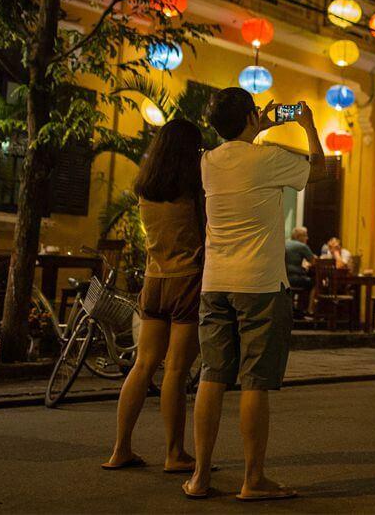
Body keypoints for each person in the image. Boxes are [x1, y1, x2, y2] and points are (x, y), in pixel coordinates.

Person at [184, 90, 326, 501]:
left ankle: (199, 477)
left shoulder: (207, 162)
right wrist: (307, 126)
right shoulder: (267, 159)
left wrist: (251, 127)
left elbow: (236, 148)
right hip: (261, 284)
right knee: (254, 383)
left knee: (212, 376)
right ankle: (253, 479)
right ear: (250, 116)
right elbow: (317, 171)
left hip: (215, 283)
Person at [103, 119, 204, 472]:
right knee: (176, 369)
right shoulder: (193, 188)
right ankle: (175, 453)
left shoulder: (145, 187)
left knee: (143, 365)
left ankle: (120, 449)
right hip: (187, 280)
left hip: (154, 280)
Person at [284, 228, 316, 317]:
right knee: (313, 283)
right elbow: (313, 262)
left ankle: (295, 309)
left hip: (284, 278)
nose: (307, 238)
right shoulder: (302, 246)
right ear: (299, 236)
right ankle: (309, 310)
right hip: (295, 277)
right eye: (305, 235)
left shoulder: (285, 243)